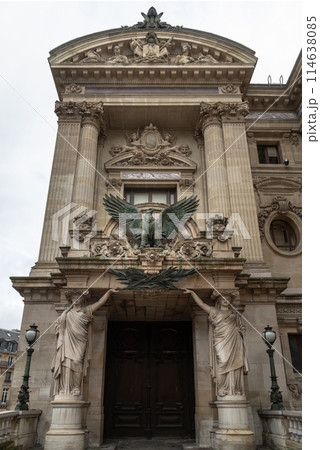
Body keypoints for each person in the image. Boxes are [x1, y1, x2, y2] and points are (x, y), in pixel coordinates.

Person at [51, 288, 118, 396]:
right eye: (74, 298)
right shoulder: (67, 313)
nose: (76, 300)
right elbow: (58, 326)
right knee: (66, 363)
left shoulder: (87, 311)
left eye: (78, 298)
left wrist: (109, 292)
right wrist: (60, 330)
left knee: (77, 362)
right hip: (68, 339)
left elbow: (100, 303)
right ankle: (64, 388)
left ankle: (76, 387)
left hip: (80, 340)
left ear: (82, 299)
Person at [185, 289, 249, 397]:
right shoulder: (214, 311)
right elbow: (201, 304)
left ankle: (235, 388)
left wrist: (241, 331)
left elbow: (241, 326)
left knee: (236, 363)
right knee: (222, 362)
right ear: (219, 301)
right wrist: (192, 293)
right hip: (221, 340)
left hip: (234, 339)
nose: (226, 301)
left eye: (228, 299)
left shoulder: (234, 313)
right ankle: (223, 387)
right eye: (223, 299)